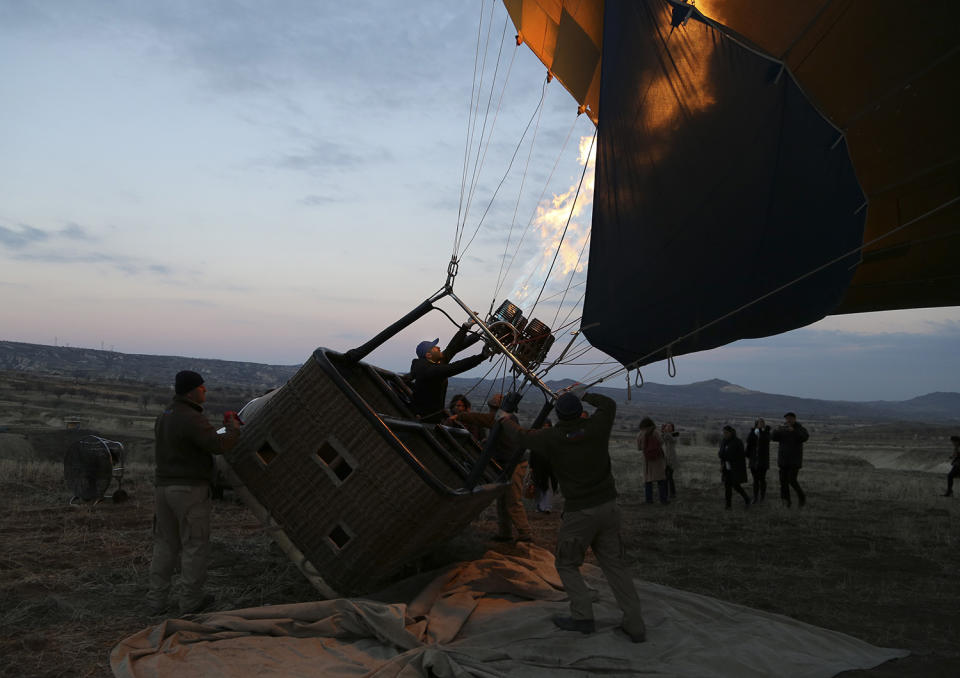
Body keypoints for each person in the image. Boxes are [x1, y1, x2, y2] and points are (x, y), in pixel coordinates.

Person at [499, 388, 647, 643]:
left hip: (580, 512)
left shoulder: (552, 437)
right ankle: (635, 625)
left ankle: (582, 617)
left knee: (566, 563)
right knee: (615, 565)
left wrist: (503, 419)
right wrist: (584, 392)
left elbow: (521, 437)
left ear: (558, 415)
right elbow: (609, 404)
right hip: (609, 507)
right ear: (580, 412)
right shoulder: (596, 426)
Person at [146, 370, 242, 616]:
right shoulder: (192, 418)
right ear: (191, 391)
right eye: (202, 388)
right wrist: (232, 430)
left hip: (163, 488)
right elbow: (217, 446)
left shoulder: (165, 415)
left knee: (165, 544)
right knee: (194, 545)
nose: (205, 391)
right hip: (189, 490)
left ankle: (156, 601)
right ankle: (190, 602)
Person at [453, 393, 532, 542]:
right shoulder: (505, 420)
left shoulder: (506, 419)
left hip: (514, 464)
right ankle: (505, 533)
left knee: (513, 500)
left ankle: (525, 533)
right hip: (506, 464)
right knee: (502, 499)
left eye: (493, 408)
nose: (491, 411)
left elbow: (484, 419)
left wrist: (460, 416)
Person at [409, 324, 489, 423]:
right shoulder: (431, 371)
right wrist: (481, 357)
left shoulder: (434, 363)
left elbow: (452, 347)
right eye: (434, 347)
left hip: (433, 417)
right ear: (428, 355)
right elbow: (456, 367)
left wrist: (466, 328)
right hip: (427, 420)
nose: (438, 347)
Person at [772, 411, 809, 507]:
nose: (787, 420)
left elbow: (804, 437)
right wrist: (777, 430)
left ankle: (802, 497)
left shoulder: (800, 429)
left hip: (794, 461)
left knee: (792, 480)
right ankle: (786, 502)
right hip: (783, 461)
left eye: (789, 418)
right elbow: (773, 438)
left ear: (794, 419)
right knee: (783, 482)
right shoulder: (783, 429)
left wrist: (794, 431)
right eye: (786, 419)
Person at [719, 425, 750, 509]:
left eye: (726, 433)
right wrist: (722, 465)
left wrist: (726, 456)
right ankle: (728, 505)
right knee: (727, 486)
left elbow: (739, 456)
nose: (725, 434)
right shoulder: (724, 441)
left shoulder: (737, 442)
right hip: (726, 467)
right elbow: (721, 454)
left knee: (736, 486)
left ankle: (747, 499)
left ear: (731, 432)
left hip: (736, 468)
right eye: (724, 433)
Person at [637, 418, 668, 505]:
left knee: (648, 481)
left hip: (647, 459)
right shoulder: (655, 432)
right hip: (657, 458)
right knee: (661, 480)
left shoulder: (640, 433)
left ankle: (649, 500)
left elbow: (639, 448)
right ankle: (663, 500)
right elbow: (661, 442)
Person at [530, 419, 559, 513]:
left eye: (547, 426)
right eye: (544, 426)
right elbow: (533, 454)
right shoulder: (536, 439)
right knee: (539, 487)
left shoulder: (553, 439)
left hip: (550, 469)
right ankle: (540, 507)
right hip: (538, 468)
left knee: (549, 488)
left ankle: (547, 507)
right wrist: (531, 466)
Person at [745, 418, 771, 503]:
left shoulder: (766, 433)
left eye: (762, 423)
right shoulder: (753, 433)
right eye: (759, 423)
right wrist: (754, 431)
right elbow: (748, 441)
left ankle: (762, 497)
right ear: (756, 424)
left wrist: (762, 431)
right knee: (755, 480)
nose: (761, 424)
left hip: (763, 460)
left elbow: (765, 440)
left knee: (762, 479)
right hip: (754, 459)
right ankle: (755, 497)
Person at [661, 422, 680, 499]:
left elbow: (672, 440)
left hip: (672, 458)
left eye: (669, 426)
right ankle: (667, 493)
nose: (668, 428)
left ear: (672, 428)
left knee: (669, 476)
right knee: (665, 477)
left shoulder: (675, 434)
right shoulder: (666, 435)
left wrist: (665, 433)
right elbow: (662, 440)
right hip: (665, 458)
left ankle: (672, 493)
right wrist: (663, 433)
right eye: (667, 426)